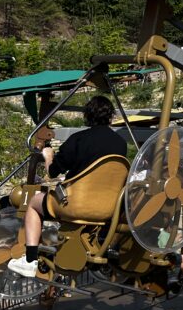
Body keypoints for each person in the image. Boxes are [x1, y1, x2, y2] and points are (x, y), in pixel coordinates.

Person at [8, 95, 127, 279]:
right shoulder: (120, 144)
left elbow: (53, 171)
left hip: (74, 206)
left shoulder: (78, 139)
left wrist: (48, 156)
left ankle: (29, 260)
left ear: (87, 116)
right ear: (110, 117)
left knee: (33, 202)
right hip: (107, 210)